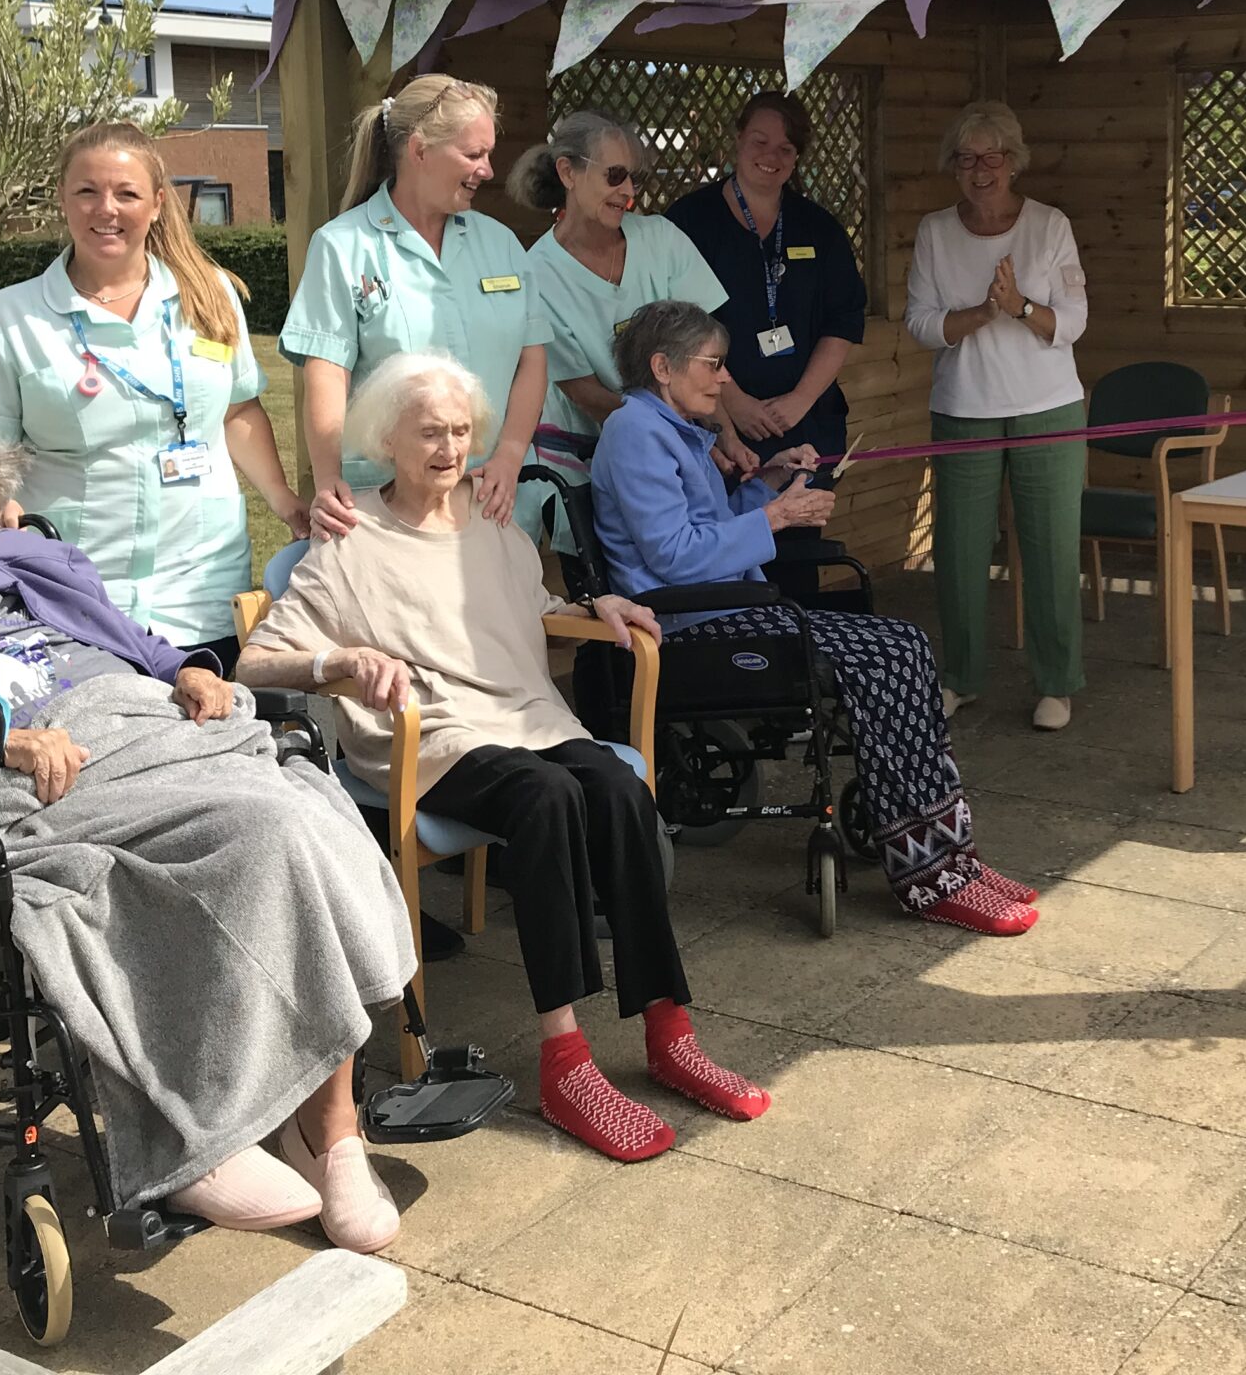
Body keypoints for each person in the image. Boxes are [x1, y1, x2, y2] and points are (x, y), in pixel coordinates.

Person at [0, 410, 411, 1252]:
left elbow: (135, 645)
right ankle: (207, 1134)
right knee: (264, 827)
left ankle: (328, 1130)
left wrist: (191, 673)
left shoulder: (25, 560)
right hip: (31, 772)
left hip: (143, 729)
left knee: (310, 806)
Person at [235, 351, 771, 1164]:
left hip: (523, 717)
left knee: (618, 788)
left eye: (460, 432)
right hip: (432, 741)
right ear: (387, 438)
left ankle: (668, 1027)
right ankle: (565, 1059)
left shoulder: (490, 522)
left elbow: (531, 607)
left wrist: (595, 605)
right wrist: (338, 664)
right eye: (429, 434)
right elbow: (256, 660)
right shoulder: (350, 540)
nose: (450, 450)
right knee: (547, 799)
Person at [590, 300, 1041, 936]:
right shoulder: (637, 433)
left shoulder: (668, 429)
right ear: (663, 367)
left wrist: (769, 483)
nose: (724, 381)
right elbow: (673, 557)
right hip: (689, 625)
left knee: (904, 644)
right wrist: (775, 519)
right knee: (891, 651)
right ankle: (930, 869)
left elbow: (708, 531)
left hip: (724, 607)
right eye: (713, 366)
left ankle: (946, 856)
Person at [0, 122, 301, 670]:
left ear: (158, 204)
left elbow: (236, 410)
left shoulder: (210, 296)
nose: (105, 209)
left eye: (127, 193)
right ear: (62, 200)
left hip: (201, 588)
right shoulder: (11, 318)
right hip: (76, 594)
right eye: (87, 192)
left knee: (210, 739)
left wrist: (283, 500)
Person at [281, 74, 549, 539]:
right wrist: (327, 479)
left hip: (492, 497)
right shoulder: (344, 246)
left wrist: (509, 453)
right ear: (420, 151)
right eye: (473, 154)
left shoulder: (501, 244)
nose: (487, 170)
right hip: (390, 504)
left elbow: (532, 357)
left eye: (488, 154)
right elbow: (326, 370)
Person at [903, 100, 1089, 731]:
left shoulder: (1049, 224)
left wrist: (1018, 306)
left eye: (993, 156)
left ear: (1013, 161)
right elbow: (922, 324)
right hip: (964, 411)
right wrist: (980, 314)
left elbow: (1074, 322)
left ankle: (1057, 684)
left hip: (1049, 411)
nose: (981, 169)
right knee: (957, 552)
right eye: (967, 158)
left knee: (1050, 551)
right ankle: (959, 678)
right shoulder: (934, 231)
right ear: (953, 166)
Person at [512, 109, 747, 488]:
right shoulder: (536, 275)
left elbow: (703, 358)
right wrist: (680, 437)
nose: (628, 192)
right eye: (614, 175)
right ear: (568, 173)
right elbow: (586, 394)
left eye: (634, 178)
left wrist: (728, 438)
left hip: (683, 457)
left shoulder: (661, 238)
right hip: (594, 474)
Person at [663, 91, 867, 468]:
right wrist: (731, 402)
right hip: (719, 426)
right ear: (738, 138)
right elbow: (674, 324)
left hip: (808, 424)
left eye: (786, 149)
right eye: (760, 142)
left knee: (804, 524)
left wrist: (801, 400)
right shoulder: (689, 222)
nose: (771, 157)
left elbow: (844, 319)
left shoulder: (819, 228)